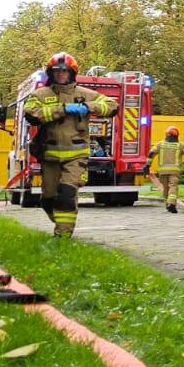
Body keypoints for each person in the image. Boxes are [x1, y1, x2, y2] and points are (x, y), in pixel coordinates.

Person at [22, 52, 115, 237]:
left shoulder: (85, 94)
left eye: (64, 71)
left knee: (66, 194)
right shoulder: (40, 95)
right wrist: (63, 109)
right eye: (56, 70)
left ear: (71, 73)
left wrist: (89, 107)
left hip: (76, 155)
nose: (60, 74)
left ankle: (62, 237)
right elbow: (31, 114)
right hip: (50, 156)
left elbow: (112, 106)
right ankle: (61, 221)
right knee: (48, 200)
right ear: (51, 73)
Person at [148, 127, 184, 213]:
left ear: (166, 135)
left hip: (162, 171)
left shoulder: (159, 144)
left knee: (165, 188)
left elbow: (151, 154)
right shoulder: (181, 145)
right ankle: (172, 204)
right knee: (173, 186)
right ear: (177, 135)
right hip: (174, 171)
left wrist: (147, 165)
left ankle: (167, 204)